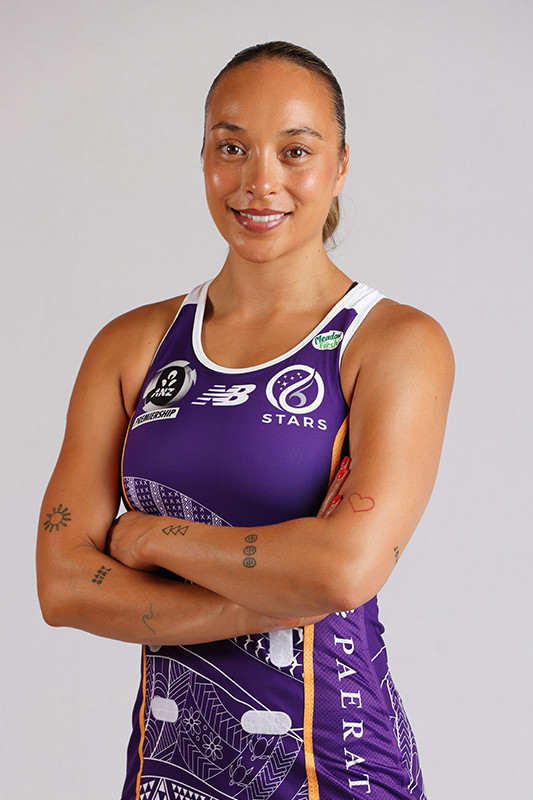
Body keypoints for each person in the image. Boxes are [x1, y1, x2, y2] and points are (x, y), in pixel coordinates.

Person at [37, 41, 454, 800]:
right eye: (232, 147)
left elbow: (342, 572)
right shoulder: (131, 346)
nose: (260, 181)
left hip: (337, 770)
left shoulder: (393, 343)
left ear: (340, 165)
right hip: (166, 773)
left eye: (295, 151)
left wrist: (148, 537)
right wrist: (267, 596)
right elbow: (63, 584)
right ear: (203, 157)